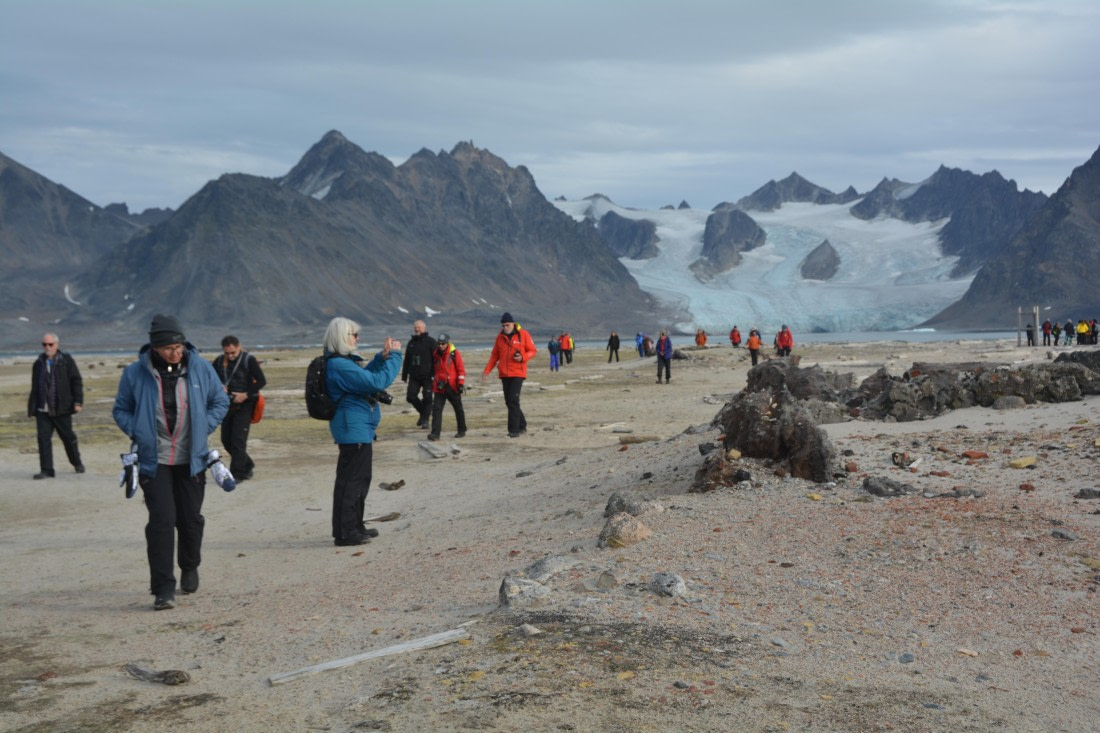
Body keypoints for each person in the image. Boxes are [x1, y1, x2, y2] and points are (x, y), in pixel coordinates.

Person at [112, 315, 230, 610]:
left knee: (190, 519)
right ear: (155, 348)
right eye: (168, 348)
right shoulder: (135, 373)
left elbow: (220, 401)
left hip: (192, 459)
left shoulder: (200, 368)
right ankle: (163, 588)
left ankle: (190, 565)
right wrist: (138, 431)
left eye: (178, 346)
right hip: (155, 460)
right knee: (161, 522)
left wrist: (204, 426)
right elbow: (121, 409)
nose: (175, 352)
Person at [323, 318, 402, 547]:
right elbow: (376, 382)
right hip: (352, 429)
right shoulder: (339, 365)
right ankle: (346, 532)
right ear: (342, 337)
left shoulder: (342, 363)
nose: (357, 339)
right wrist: (395, 357)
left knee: (359, 480)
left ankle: (355, 526)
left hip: (357, 428)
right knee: (352, 482)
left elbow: (364, 379)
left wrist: (381, 358)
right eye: (354, 335)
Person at [27, 333, 85, 479]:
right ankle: (47, 470)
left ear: (57, 345)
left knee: (68, 438)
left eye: (50, 344)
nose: (47, 347)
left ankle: (76, 462)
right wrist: (31, 407)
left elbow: (76, 381)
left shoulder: (66, 360)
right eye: (44, 344)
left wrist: (78, 401)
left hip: (62, 409)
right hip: (43, 410)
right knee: (43, 439)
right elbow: (35, 387)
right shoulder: (38, 363)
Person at [211, 335, 266, 482]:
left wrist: (245, 395)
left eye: (233, 353)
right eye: (227, 353)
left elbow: (261, 381)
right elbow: (211, 378)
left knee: (238, 441)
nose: (230, 356)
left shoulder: (249, 360)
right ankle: (247, 464)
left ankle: (238, 474)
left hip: (245, 404)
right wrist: (219, 387)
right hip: (227, 405)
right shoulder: (218, 361)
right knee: (226, 440)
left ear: (239, 347)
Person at [482, 313, 537, 438]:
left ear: (513, 323)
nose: (505, 327)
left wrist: (522, 357)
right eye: (503, 325)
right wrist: (487, 370)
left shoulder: (523, 334)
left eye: (507, 325)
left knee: (513, 400)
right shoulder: (500, 337)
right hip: (504, 374)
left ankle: (513, 430)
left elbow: (533, 351)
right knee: (509, 402)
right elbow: (495, 356)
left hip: (518, 373)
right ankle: (522, 425)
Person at [428, 334, 467, 441]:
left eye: (443, 344)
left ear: (447, 343)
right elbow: (433, 370)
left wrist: (460, 384)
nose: (441, 346)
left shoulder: (454, 353)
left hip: (452, 386)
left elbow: (461, 369)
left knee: (458, 409)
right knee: (437, 409)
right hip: (439, 387)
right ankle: (435, 434)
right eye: (439, 344)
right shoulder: (435, 354)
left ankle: (462, 430)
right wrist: (433, 382)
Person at [401, 320, 436, 429]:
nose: (417, 329)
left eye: (419, 327)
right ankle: (423, 413)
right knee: (410, 397)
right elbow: (407, 359)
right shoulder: (411, 343)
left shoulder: (431, 342)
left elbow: (436, 359)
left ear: (424, 328)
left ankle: (425, 420)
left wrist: (436, 374)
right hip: (414, 376)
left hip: (428, 376)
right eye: (415, 327)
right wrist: (404, 375)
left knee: (427, 398)